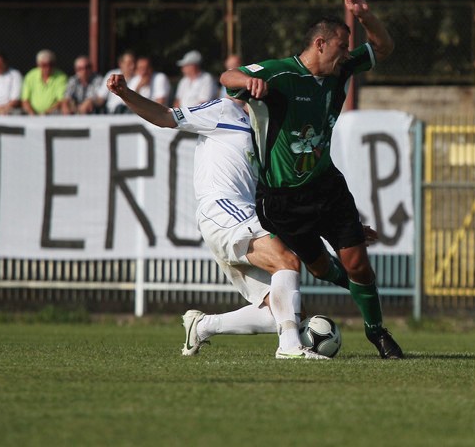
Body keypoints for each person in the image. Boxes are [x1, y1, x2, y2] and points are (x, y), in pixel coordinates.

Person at [220, 0, 404, 359]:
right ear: (320, 44)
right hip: (282, 200)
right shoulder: (283, 74)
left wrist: (364, 15)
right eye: (340, 46)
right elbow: (228, 76)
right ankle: (350, 285)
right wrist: (247, 83)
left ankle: (377, 332)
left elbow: (383, 48)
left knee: (358, 264)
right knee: (321, 270)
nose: (346, 54)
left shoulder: (343, 69)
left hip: (327, 187)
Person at [105, 72, 338, 359]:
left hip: (242, 216)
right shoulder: (224, 110)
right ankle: (289, 347)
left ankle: (202, 326)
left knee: (277, 312)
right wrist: (126, 94)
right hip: (223, 208)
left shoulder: (266, 135)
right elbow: (166, 115)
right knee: (287, 262)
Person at [21, 49, 68, 115]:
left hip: (54, 114)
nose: (48, 68)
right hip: (32, 115)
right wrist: (32, 113)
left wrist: (45, 113)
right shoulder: (30, 76)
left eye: (50, 64)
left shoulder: (61, 77)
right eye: (44, 65)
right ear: (38, 65)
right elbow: (25, 100)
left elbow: (62, 101)